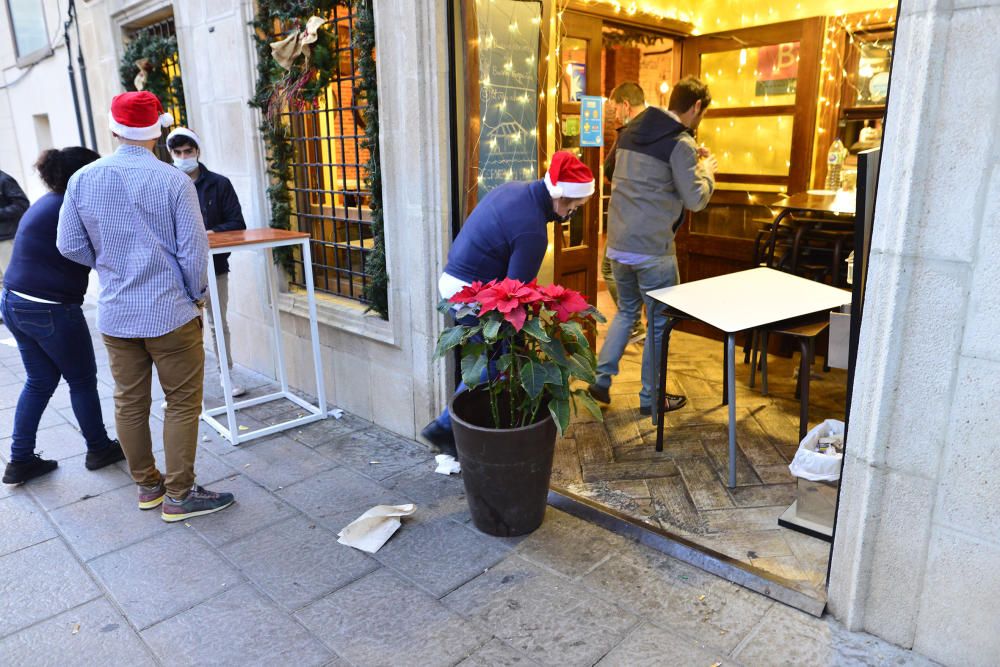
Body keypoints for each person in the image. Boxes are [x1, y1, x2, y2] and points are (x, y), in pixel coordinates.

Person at [57, 91, 234, 522]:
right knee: (182, 402)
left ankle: (149, 487)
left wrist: (109, 264)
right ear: (157, 132)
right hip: (170, 310)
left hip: (117, 312)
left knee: (129, 402)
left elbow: (69, 245)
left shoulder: (83, 178)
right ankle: (179, 494)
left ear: (114, 129)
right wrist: (196, 296)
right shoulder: (174, 180)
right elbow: (194, 251)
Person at [420, 151, 596, 456]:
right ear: (561, 198)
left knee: (490, 357)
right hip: (467, 293)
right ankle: (446, 428)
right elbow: (516, 298)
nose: (571, 216)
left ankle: (461, 432)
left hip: (454, 282)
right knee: (495, 362)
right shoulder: (533, 232)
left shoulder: (513, 189)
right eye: (574, 208)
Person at [588, 76, 718, 416]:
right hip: (653, 252)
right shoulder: (680, 143)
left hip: (617, 245)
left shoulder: (631, 130)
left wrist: (690, 160)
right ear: (697, 107)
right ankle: (651, 399)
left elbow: (618, 172)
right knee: (659, 323)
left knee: (627, 312)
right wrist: (707, 172)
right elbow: (695, 199)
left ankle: (601, 381)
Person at [1, 148, 126, 484]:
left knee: (40, 381)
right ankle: (99, 448)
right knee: (82, 380)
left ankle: (20, 460)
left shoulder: (49, 202)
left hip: (14, 301)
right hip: (49, 307)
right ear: (84, 175)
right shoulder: (69, 207)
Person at [166, 127, 248, 398]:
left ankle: (226, 374)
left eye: (188, 151)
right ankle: (183, 387)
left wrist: (207, 233)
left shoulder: (218, 183)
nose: (183, 157)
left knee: (217, 323)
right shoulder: (165, 183)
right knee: (180, 329)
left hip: (214, 266)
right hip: (176, 270)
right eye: (177, 153)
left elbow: (237, 223)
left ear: (197, 151)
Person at [603, 82, 649, 344]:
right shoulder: (660, 131)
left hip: (628, 215)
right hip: (649, 219)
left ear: (626, 105)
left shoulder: (630, 133)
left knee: (609, 267)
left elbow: (610, 169)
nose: (616, 116)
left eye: (615, 110)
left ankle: (633, 324)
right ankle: (644, 328)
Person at [0, 168, 30, 312]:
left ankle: (20, 311)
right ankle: (6, 311)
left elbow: (22, 205)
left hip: (7, 238)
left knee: (13, 279)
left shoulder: (4, 180)